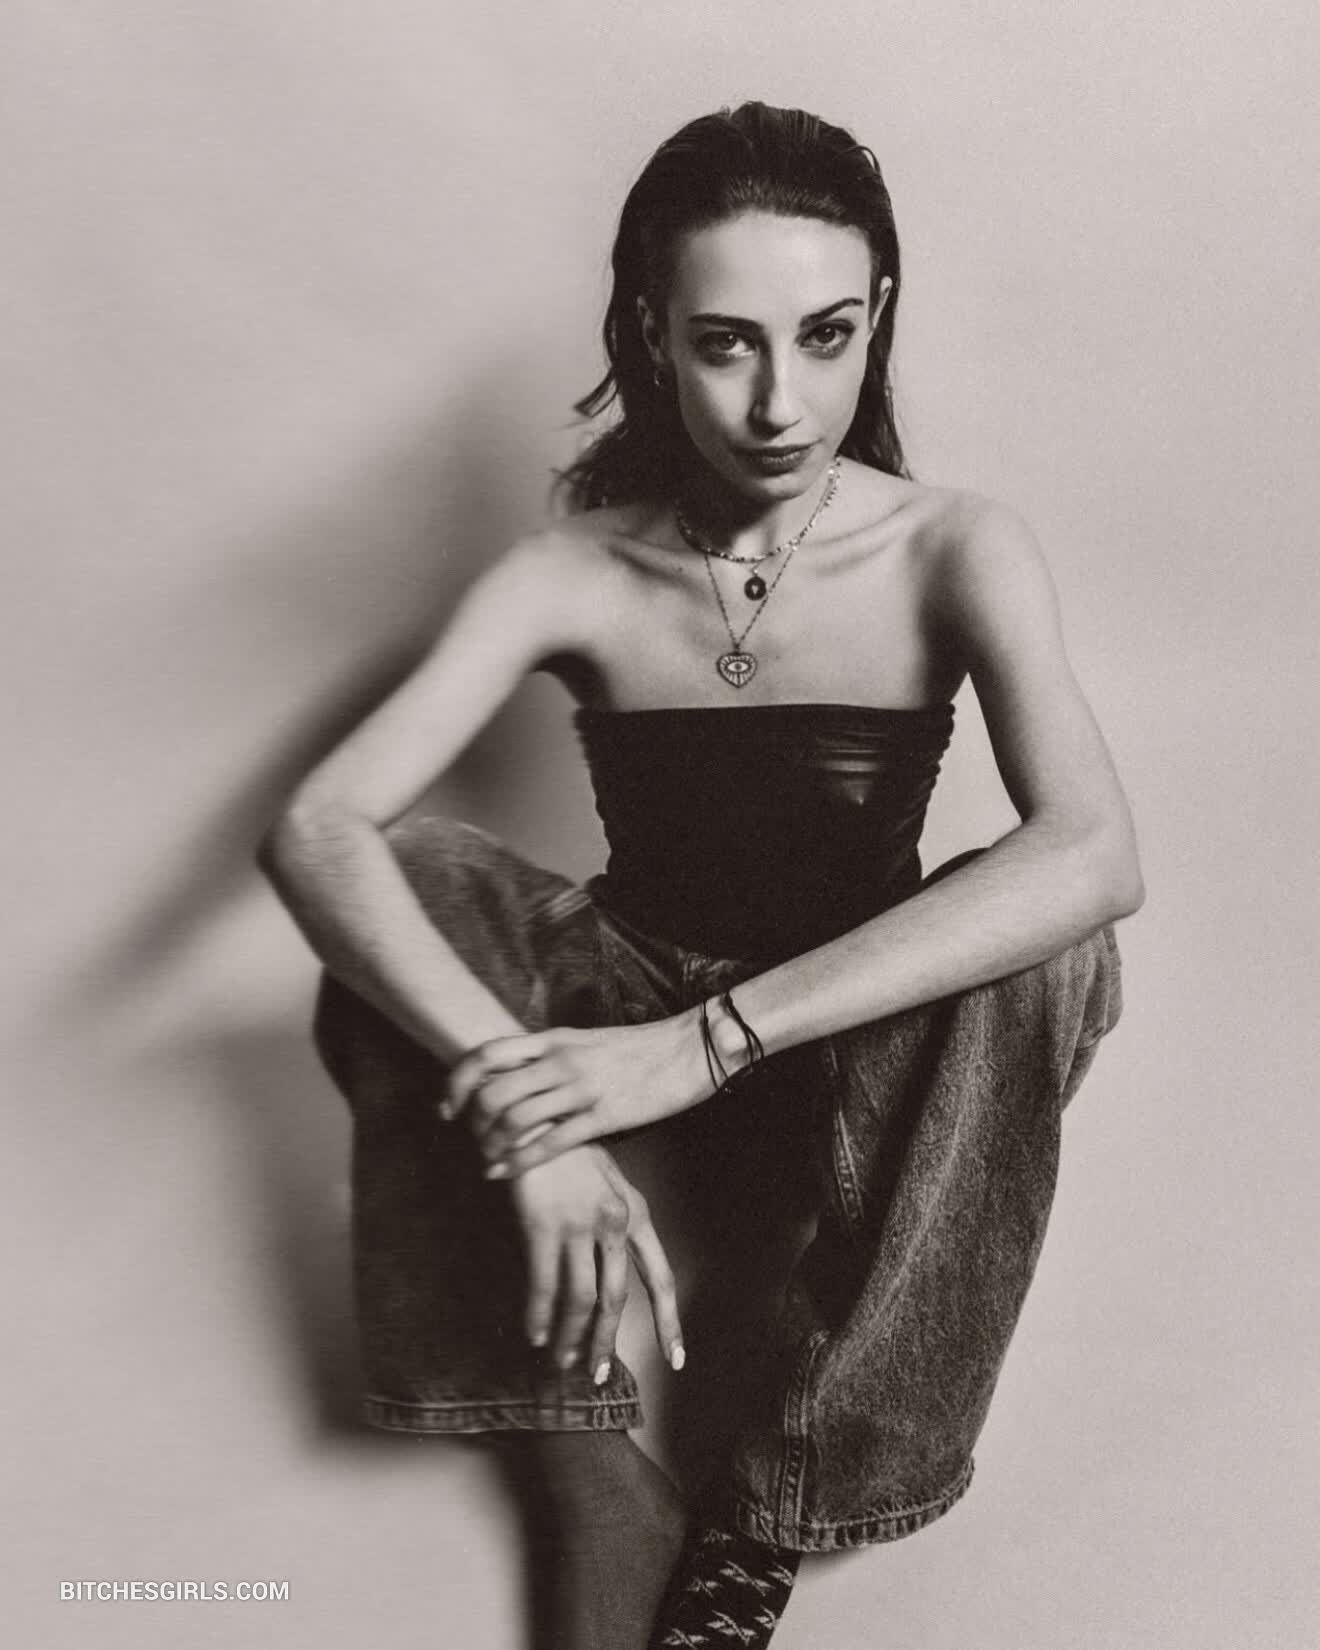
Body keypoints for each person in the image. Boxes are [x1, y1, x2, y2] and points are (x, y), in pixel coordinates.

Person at [257, 101, 1144, 1650]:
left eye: (828, 335)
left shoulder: (955, 546)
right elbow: (319, 828)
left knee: (1051, 938)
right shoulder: (576, 565)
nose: (782, 401)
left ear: (880, 316)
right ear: (651, 332)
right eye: (727, 343)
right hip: (619, 1006)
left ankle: (776, 1498)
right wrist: (529, 1115)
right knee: (407, 879)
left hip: (849, 1047)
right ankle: (586, 1464)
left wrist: (713, 1042)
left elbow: (1095, 849)